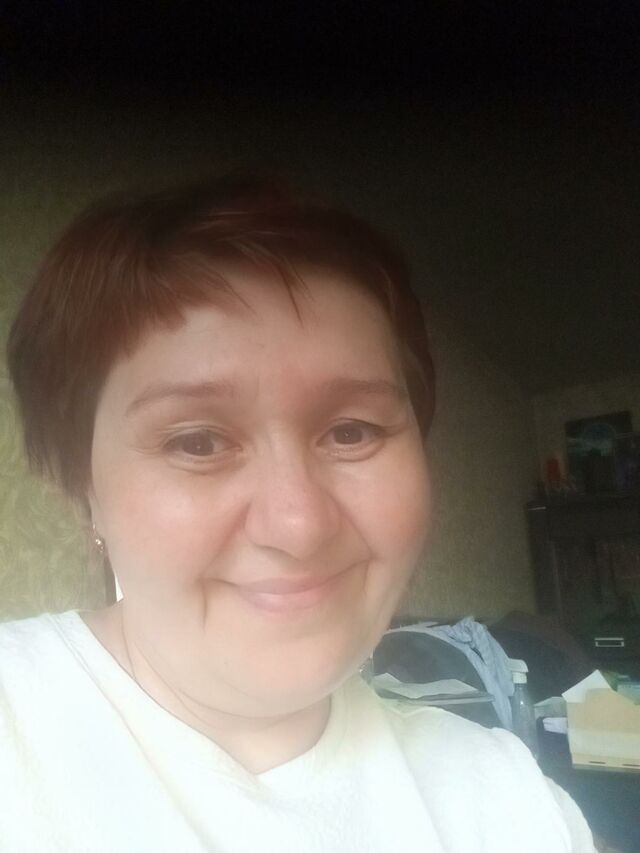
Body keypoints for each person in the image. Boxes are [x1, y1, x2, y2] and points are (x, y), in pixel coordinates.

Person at [1, 176, 594, 852]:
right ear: (81, 484)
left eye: (351, 431)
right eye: (197, 442)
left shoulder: (506, 794)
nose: (299, 525)